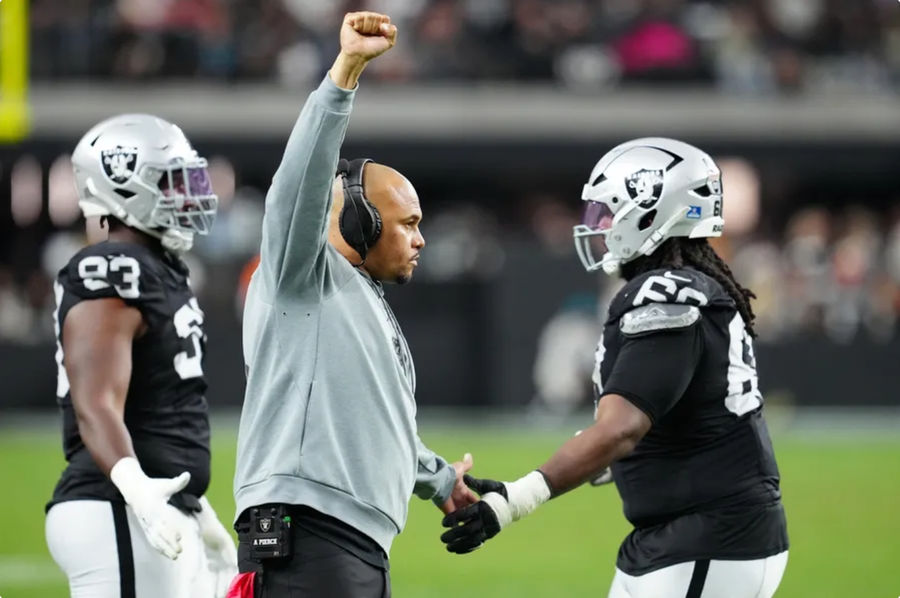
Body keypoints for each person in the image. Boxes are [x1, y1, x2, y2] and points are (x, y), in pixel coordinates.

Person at [441, 138, 789, 598]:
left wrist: (514, 500)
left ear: (651, 212)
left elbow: (621, 430)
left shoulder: (665, 293)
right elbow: (671, 417)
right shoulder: (686, 286)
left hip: (708, 537)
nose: (599, 224)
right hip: (682, 536)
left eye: (609, 210)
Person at [231, 12, 475, 598]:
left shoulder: (356, 299)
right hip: (306, 535)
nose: (420, 239)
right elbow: (298, 185)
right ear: (361, 221)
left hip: (348, 542)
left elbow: (371, 419)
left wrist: (439, 480)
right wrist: (345, 73)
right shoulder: (301, 277)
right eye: (409, 224)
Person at [44, 113, 238, 598]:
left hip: (153, 508)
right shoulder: (110, 265)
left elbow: (160, 403)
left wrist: (195, 505)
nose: (189, 194)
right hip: (117, 506)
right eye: (173, 183)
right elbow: (96, 401)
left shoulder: (162, 269)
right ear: (126, 188)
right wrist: (138, 490)